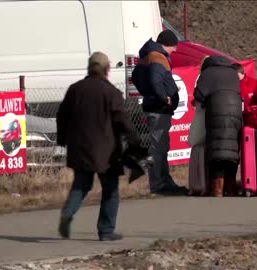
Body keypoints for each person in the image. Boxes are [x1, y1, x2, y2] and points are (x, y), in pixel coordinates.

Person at [56, 52, 142, 241]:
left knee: (81, 184)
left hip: (80, 148)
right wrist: (135, 141)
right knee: (110, 190)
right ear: (107, 69)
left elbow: (61, 116)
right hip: (107, 151)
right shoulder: (111, 92)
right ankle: (106, 231)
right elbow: (122, 120)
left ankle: (68, 213)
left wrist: (62, 138)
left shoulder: (75, 90)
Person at [134, 30, 188, 195]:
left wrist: (149, 94)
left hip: (157, 107)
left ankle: (164, 181)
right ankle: (158, 184)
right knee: (157, 147)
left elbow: (137, 76)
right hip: (158, 108)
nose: (175, 50)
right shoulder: (158, 57)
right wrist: (164, 97)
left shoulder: (150, 55)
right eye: (174, 47)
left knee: (161, 146)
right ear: (167, 44)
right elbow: (156, 80)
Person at [193, 56, 243, 197]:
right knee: (232, 148)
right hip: (236, 111)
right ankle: (230, 187)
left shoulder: (208, 73)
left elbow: (198, 94)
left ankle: (217, 189)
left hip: (216, 110)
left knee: (216, 149)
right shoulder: (232, 72)